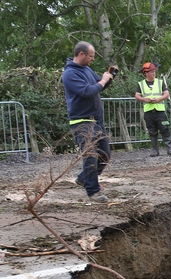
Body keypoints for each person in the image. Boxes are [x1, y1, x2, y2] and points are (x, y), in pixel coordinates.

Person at [62, 41, 116, 203]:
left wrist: (108, 79)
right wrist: (103, 81)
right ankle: (93, 191)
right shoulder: (70, 74)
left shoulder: (86, 69)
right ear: (81, 54)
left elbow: (98, 87)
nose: (93, 59)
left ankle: (83, 178)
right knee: (90, 156)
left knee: (105, 155)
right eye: (91, 56)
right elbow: (87, 91)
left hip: (96, 121)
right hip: (82, 121)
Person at [135, 62, 171, 157]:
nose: (154, 73)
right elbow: (137, 96)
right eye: (151, 72)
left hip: (160, 111)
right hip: (148, 112)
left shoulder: (160, 82)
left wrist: (159, 99)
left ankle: (169, 149)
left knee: (165, 129)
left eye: (154, 71)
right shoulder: (141, 84)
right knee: (152, 131)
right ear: (146, 73)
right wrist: (144, 99)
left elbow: (166, 94)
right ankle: (155, 150)